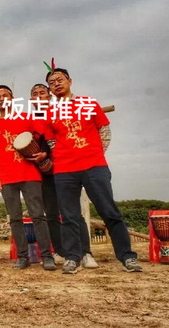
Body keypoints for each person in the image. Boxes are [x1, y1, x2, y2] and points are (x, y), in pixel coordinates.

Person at [43, 61, 142, 274]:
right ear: (50, 90)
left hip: (94, 166)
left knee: (109, 211)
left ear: (70, 81)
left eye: (60, 80)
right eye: (52, 83)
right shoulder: (50, 112)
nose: (56, 84)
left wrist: (96, 154)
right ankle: (72, 258)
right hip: (64, 170)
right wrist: (61, 158)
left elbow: (104, 130)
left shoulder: (88, 103)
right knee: (68, 215)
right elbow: (52, 142)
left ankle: (127, 257)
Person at [0, 85, 56, 271]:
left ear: (12, 99)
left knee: (38, 216)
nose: (2, 99)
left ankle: (47, 256)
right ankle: (22, 256)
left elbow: (46, 137)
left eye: (6, 95)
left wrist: (44, 154)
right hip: (7, 176)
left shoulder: (27, 118)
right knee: (15, 218)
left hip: (29, 174)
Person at [30, 83, 98, 268]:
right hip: (44, 173)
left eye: (42, 93)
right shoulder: (29, 119)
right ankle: (62, 251)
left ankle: (85, 252)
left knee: (72, 212)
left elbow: (64, 138)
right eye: (34, 94)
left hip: (66, 169)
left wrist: (48, 154)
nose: (39, 96)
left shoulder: (60, 111)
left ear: (49, 95)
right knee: (51, 214)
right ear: (31, 100)